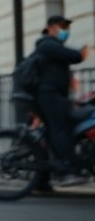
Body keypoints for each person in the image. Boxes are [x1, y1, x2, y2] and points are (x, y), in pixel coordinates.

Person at [33, 15, 90, 188]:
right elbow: (75, 56)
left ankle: (46, 178)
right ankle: (68, 171)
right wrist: (83, 52)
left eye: (66, 27)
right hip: (49, 94)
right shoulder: (48, 44)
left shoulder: (52, 46)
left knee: (57, 130)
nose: (65, 31)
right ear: (50, 28)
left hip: (55, 95)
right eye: (62, 26)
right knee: (60, 129)